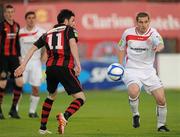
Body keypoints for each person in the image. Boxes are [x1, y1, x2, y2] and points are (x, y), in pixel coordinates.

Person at [14, 9, 86, 134]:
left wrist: (23, 65)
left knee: (51, 95)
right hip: (64, 67)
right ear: (66, 20)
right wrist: (78, 64)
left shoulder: (48, 32)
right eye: (73, 20)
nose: (74, 23)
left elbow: (33, 48)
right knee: (81, 98)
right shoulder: (69, 30)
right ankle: (65, 116)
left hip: (50, 69)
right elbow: (73, 44)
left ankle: (42, 128)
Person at [117, 12, 169, 132]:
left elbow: (160, 43)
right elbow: (120, 48)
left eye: (146, 22)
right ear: (136, 22)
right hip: (131, 70)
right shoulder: (127, 33)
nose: (143, 25)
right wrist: (120, 65)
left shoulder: (153, 33)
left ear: (149, 22)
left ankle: (161, 125)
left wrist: (158, 47)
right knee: (134, 91)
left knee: (161, 99)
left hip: (149, 71)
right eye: (140, 22)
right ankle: (135, 114)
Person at [19, 11, 46, 118]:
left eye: (33, 18)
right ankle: (14, 110)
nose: (31, 20)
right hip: (23, 62)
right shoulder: (20, 32)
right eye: (29, 18)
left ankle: (32, 111)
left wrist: (44, 55)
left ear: (35, 19)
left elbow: (46, 46)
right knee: (18, 86)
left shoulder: (41, 32)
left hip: (36, 63)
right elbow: (15, 47)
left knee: (36, 88)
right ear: (26, 19)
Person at [0, 4, 23, 119]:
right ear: (4, 14)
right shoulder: (1, 25)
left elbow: (17, 43)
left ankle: (13, 110)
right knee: (2, 83)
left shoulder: (17, 26)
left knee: (19, 82)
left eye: (11, 12)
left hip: (14, 58)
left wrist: (19, 56)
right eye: (7, 12)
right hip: (3, 57)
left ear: (14, 13)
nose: (9, 14)